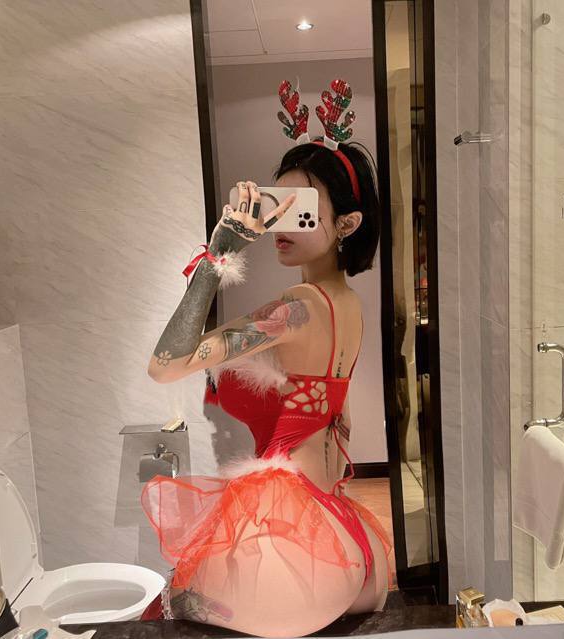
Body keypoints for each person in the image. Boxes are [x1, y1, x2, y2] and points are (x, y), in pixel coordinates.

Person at [140, 79, 393, 637]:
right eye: (278, 204)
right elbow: (335, 417)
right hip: (345, 535)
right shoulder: (348, 304)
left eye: (302, 209)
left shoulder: (299, 306)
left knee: (177, 601)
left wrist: (220, 252)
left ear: (347, 224)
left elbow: (166, 363)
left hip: (292, 546)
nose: (280, 222)